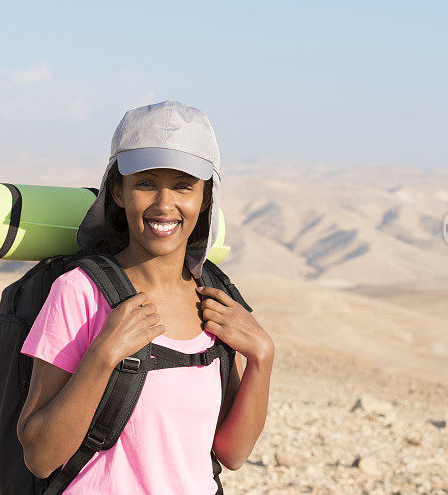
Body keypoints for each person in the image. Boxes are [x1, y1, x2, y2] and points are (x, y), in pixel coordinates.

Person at [16, 100, 275, 494]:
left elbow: (232, 453)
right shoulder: (79, 293)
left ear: (206, 198)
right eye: (146, 183)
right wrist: (102, 357)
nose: (164, 205)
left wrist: (262, 357)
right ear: (118, 191)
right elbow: (39, 457)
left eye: (183, 186)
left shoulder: (215, 303)